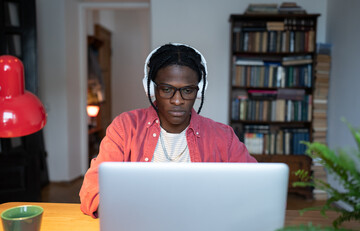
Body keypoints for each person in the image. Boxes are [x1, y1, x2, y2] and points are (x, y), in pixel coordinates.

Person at [79, 43, 257, 218]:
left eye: (187, 90)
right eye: (166, 89)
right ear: (151, 88)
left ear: (199, 91)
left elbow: (255, 185)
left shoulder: (223, 136)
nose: (177, 100)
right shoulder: (125, 127)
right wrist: (117, 212)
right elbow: (92, 186)